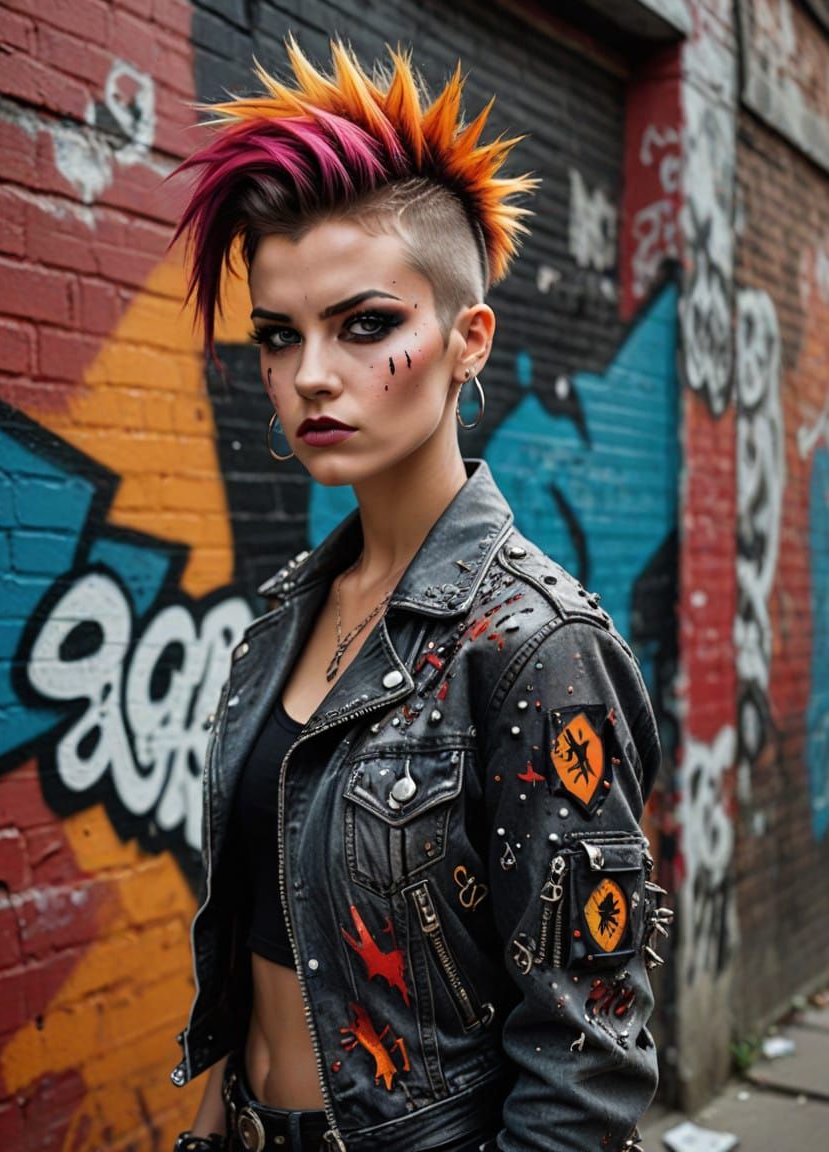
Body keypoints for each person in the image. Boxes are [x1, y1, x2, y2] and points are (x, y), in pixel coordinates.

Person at [167, 38, 669, 1152]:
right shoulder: (282, 615)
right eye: (276, 336)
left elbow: (584, 1066)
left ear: (464, 340)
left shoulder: (536, 648)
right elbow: (257, 933)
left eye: (363, 325)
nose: (309, 375)